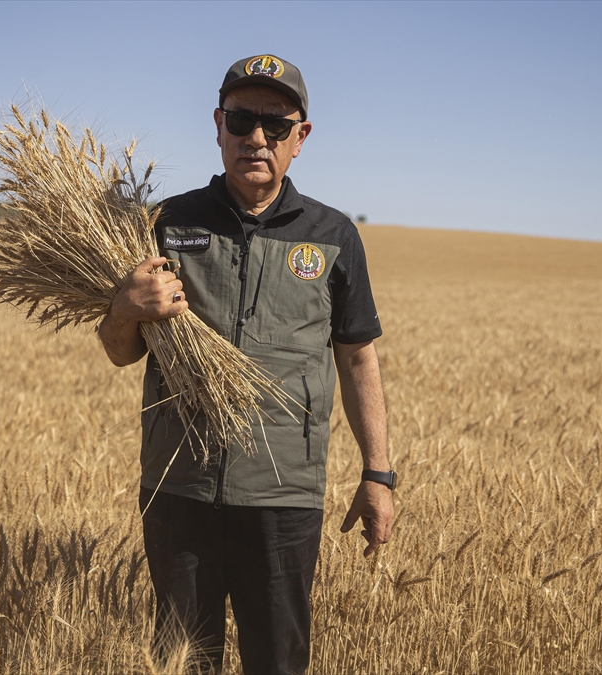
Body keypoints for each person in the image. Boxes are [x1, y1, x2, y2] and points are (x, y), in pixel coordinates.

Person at [98, 54, 396, 675]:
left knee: (279, 661)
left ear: (301, 138)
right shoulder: (167, 222)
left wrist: (378, 474)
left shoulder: (333, 235)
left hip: (284, 493)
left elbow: (357, 356)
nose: (256, 138)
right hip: (179, 484)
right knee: (182, 662)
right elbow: (122, 351)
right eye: (241, 121)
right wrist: (123, 308)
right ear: (218, 125)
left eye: (276, 126)